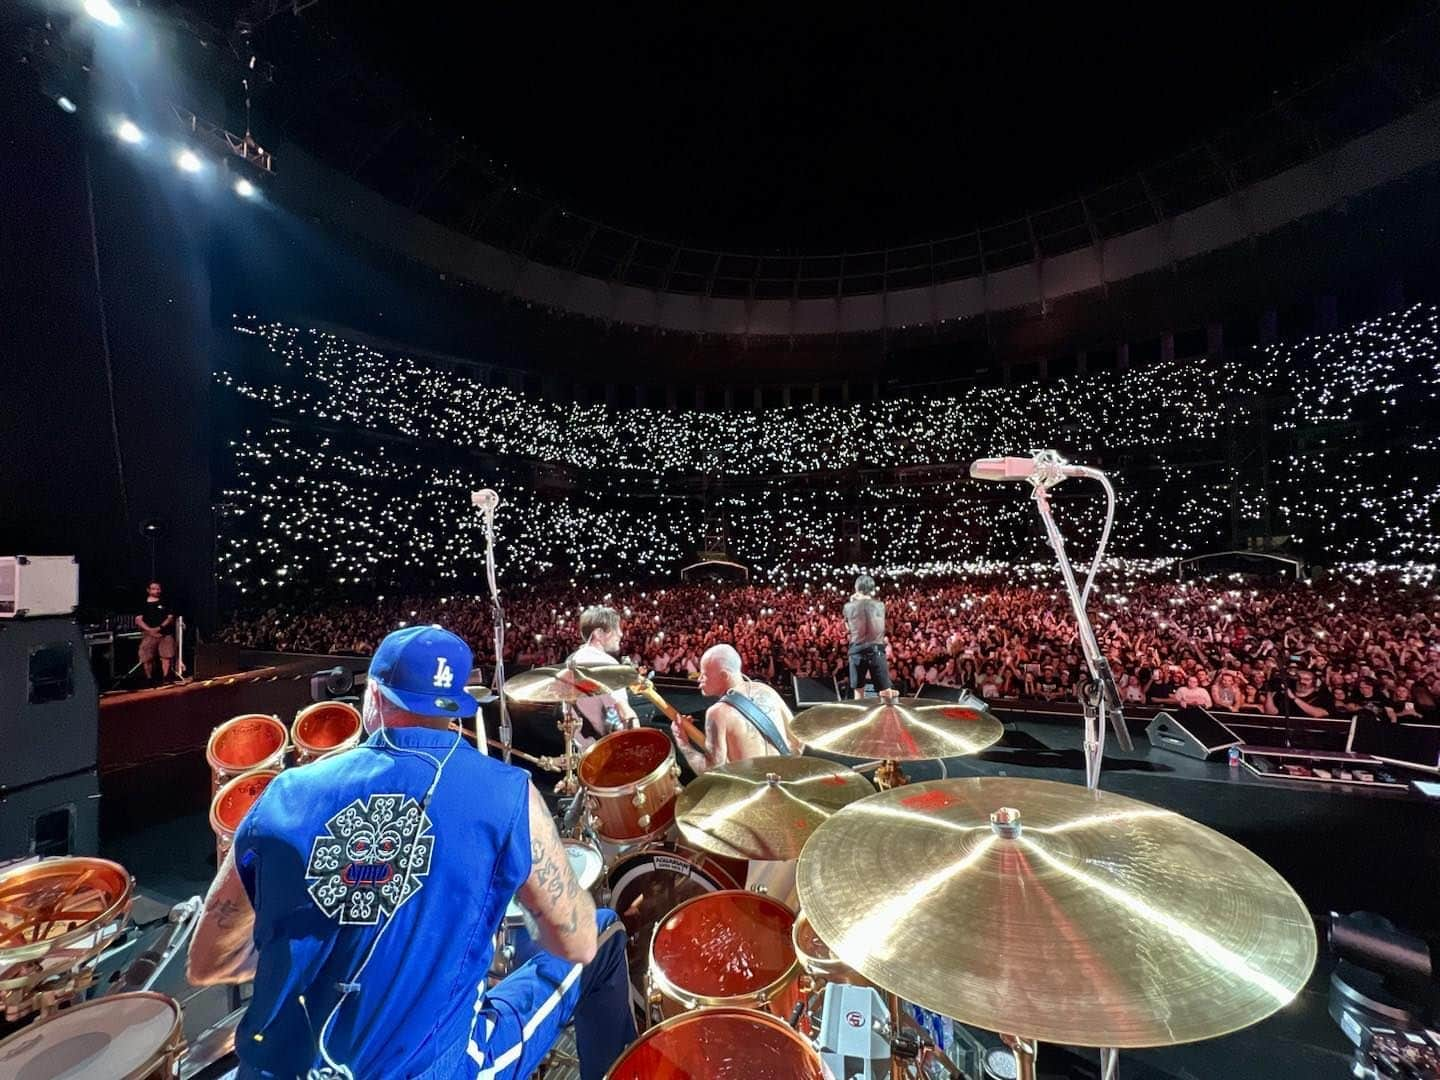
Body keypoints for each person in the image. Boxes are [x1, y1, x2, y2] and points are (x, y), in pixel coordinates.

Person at [187, 625, 635, 1079]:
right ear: (456, 708)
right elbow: (572, 942)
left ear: (373, 696)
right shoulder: (508, 794)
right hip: (438, 1069)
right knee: (602, 931)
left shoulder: (285, 793)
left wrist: (317, 947)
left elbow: (208, 963)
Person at [671, 643, 800, 775]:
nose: (699, 679)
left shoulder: (717, 713)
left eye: (704, 675)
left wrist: (683, 743)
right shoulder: (767, 691)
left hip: (751, 792)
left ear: (724, 676)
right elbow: (797, 741)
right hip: (784, 782)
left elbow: (712, 772)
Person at [568, 606, 639, 746]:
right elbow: (625, 714)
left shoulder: (571, 661)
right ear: (599, 634)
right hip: (608, 751)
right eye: (616, 629)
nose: (621, 634)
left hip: (584, 752)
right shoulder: (605, 664)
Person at [843, 574, 892, 699]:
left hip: (856, 649)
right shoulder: (880, 605)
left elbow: (848, 628)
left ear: (856, 588)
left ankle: (860, 717)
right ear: (872, 588)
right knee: (885, 691)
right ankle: (887, 717)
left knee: (859, 691)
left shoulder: (848, 606)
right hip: (876, 649)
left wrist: (852, 601)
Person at [135, 580, 177, 683]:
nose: (156, 591)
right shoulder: (142, 604)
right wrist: (150, 630)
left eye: (158, 589)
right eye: (154, 589)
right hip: (149, 634)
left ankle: (166, 677)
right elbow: (138, 620)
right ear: (148, 590)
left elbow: (170, 617)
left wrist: (160, 628)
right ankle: (149, 678)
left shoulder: (166, 602)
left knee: (166, 655)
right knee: (146, 657)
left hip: (165, 633)